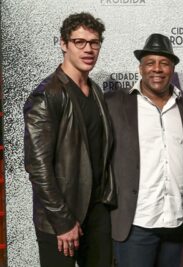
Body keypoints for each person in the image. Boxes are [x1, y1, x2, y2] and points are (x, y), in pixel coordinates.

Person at [23, 12, 115, 267]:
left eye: (94, 42)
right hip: (60, 217)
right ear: (64, 44)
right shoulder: (47, 95)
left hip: (96, 211)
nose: (88, 50)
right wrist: (63, 221)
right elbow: (37, 167)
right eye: (79, 42)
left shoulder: (94, 89)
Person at [105, 33, 183, 267]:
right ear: (140, 68)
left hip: (175, 224)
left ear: (173, 68)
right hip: (135, 224)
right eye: (150, 63)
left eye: (164, 63)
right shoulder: (116, 104)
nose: (157, 69)